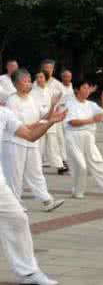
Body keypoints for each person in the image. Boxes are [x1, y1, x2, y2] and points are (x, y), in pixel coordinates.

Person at [0, 94, 66, 285]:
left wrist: (51, 122)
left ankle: (28, 273)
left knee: (18, 218)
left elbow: (29, 134)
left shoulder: (4, 114)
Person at [2, 69, 65, 212]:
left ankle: (46, 200)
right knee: (14, 174)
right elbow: (20, 126)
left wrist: (52, 106)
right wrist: (39, 124)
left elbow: (43, 117)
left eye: (30, 80)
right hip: (14, 142)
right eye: (26, 81)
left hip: (31, 141)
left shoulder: (32, 98)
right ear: (17, 84)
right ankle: (15, 204)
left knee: (36, 171)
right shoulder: (12, 101)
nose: (29, 83)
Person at [31, 70, 67, 175]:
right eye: (37, 77)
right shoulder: (33, 92)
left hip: (51, 119)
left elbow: (60, 97)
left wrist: (55, 111)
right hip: (40, 120)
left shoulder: (49, 90)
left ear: (46, 79)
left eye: (41, 77)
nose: (39, 79)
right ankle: (36, 166)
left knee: (53, 144)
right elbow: (35, 107)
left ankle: (59, 165)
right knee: (39, 146)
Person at [40, 59, 69, 170]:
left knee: (55, 140)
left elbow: (63, 100)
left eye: (50, 68)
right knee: (40, 141)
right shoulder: (37, 82)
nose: (48, 70)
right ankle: (38, 162)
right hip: (41, 116)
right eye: (46, 68)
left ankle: (60, 163)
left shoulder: (57, 84)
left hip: (54, 115)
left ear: (53, 69)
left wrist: (59, 113)